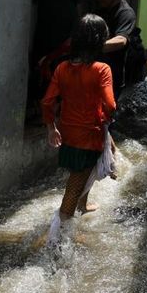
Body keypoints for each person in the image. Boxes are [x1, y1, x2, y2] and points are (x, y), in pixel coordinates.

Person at [42, 14, 117, 246]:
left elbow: (47, 102)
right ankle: (60, 235)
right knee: (74, 185)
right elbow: (111, 105)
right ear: (98, 41)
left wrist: (51, 128)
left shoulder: (62, 67)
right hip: (89, 136)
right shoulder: (101, 69)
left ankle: (82, 205)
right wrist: (105, 119)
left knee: (85, 171)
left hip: (68, 133)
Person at [82, 0, 137, 100]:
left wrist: (90, 48)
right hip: (90, 73)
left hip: (111, 78)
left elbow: (121, 40)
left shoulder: (125, 13)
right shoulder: (97, 9)